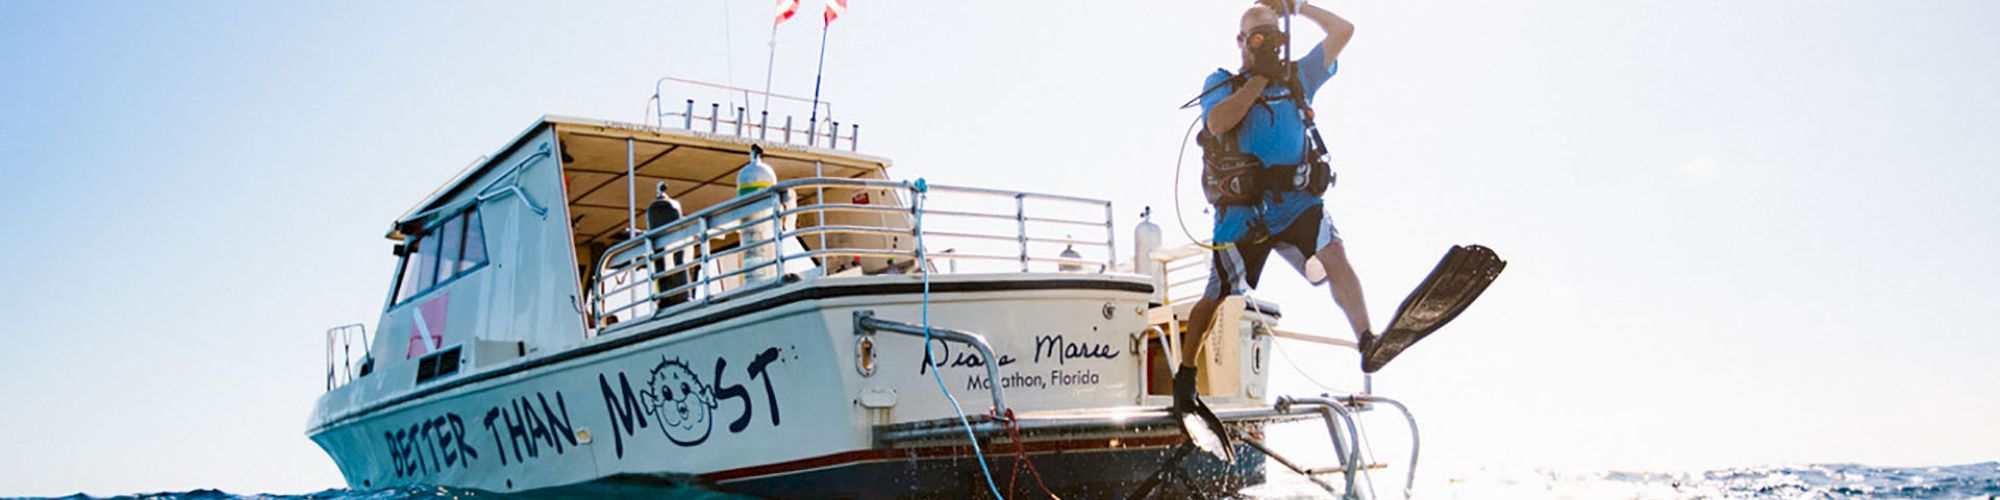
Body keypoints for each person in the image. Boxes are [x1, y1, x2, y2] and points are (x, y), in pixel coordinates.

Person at [1176, 0, 1372, 418]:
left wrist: (1297, 7)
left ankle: (1367, 340)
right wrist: (1257, 79)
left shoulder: (1300, 76)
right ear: (1241, 41)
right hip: (1242, 214)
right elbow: (1217, 123)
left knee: (1336, 256)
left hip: (1298, 203)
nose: (1266, 44)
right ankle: (1186, 376)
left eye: (1273, 36)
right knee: (1215, 297)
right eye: (1256, 37)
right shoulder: (1223, 81)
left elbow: (1344, 30)